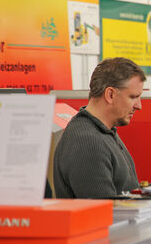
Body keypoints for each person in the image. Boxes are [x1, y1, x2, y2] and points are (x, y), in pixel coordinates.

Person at [53, 57, 144, 199]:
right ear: (110, 94)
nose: (139, 105)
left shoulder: (104, 132)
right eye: (133, 97)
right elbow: (104, 212)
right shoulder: (87, 143)